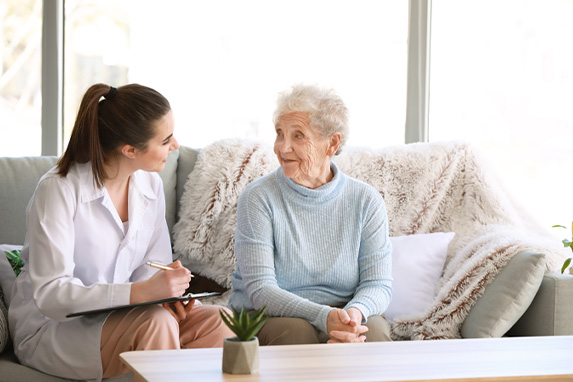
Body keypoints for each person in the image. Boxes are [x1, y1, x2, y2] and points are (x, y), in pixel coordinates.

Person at [8, 83, 233, 381]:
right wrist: (141, 293)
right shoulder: (59, 191)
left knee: (217, 320)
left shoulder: (149, 186)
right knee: (156, 324)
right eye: (165, 140)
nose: (176, 145)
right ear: (129, 150)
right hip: (54, 329)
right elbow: (52, 296)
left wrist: (166, 294)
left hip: (124, 316)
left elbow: (150, 268)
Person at [228, 84, 393, 345]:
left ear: (332, 143)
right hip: (274, 314)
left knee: (372, 331)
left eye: (298, 136)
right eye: (280, 134)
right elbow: (262, 291)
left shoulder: (365, 200)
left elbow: (379, 284)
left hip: (344, 310)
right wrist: (324, 317)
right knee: (297, 334)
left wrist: (353, 315)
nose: (283, 147)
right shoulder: (258, 197)